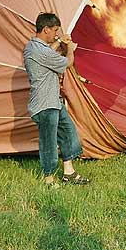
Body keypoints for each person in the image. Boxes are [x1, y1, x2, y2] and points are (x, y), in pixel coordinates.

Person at [23, 13, 90, 187]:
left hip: (53, 102)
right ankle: (49, 179)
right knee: (49, 142)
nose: (55, 34)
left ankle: (69, 172)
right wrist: (70, 49)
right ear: (45, 29)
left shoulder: (33, 47)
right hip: (45, 105)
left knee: (68, 132)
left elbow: (47, 52)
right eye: (54, 31)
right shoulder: (41, 51)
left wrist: (59, 42)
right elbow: (67, 63)